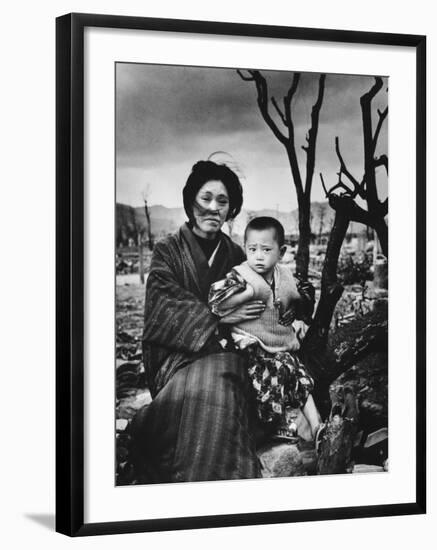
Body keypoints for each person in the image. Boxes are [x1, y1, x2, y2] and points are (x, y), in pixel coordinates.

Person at [131, 160, 266, 483]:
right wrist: (220, 315)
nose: (213, 208)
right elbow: (164, 305)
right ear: (191, 201)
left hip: (225, 355)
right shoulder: (168, 251)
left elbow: (261, 296)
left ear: (231, 209)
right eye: (206, 198)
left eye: (223, 201)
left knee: (225, 377)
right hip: (175, 361)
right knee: (218, 383)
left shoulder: (235, 255)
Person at [208, 216, 322, 442]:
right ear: (245, 249)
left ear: (281, 252)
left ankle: (318, 426)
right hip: (251, 345)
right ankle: (276, 426)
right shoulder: (241, 275)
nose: (258, 256)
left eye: (266, 249)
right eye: (252, 249)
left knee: (299, 375)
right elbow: (215, 303)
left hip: (278, 343)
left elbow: (302, 297)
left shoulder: (286, 275)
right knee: (274, 374)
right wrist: (249, 293)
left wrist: (297, 310)